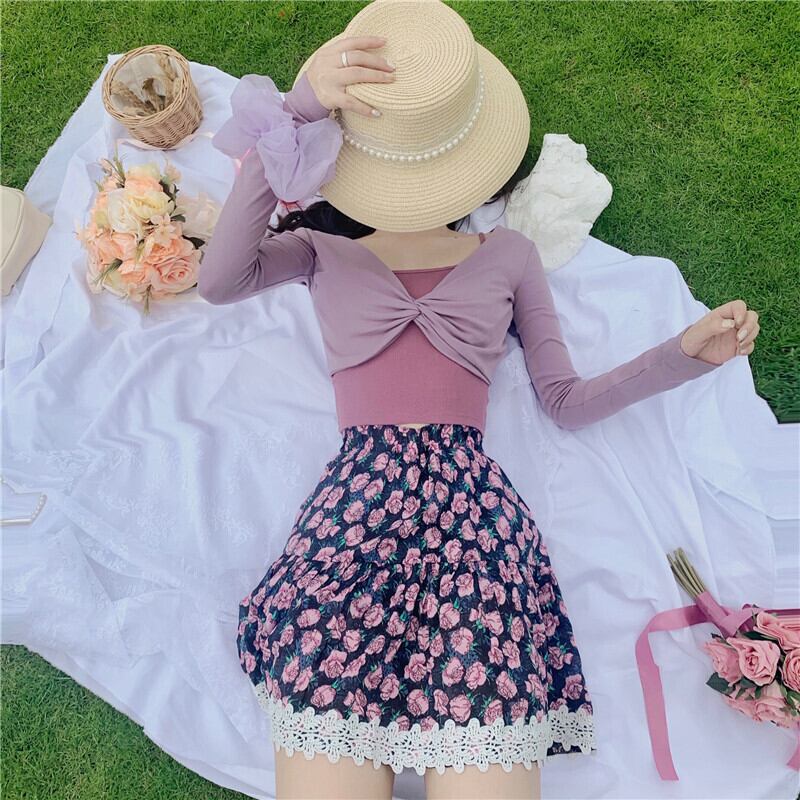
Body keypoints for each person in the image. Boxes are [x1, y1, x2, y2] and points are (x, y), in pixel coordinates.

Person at [198, 2, 760, 798]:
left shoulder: (508, 254)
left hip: (473, 531)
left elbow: (564, 401)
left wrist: (682, 355)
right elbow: (219, 279)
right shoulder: (319, 250)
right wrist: (297, 112)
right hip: (354, 522)